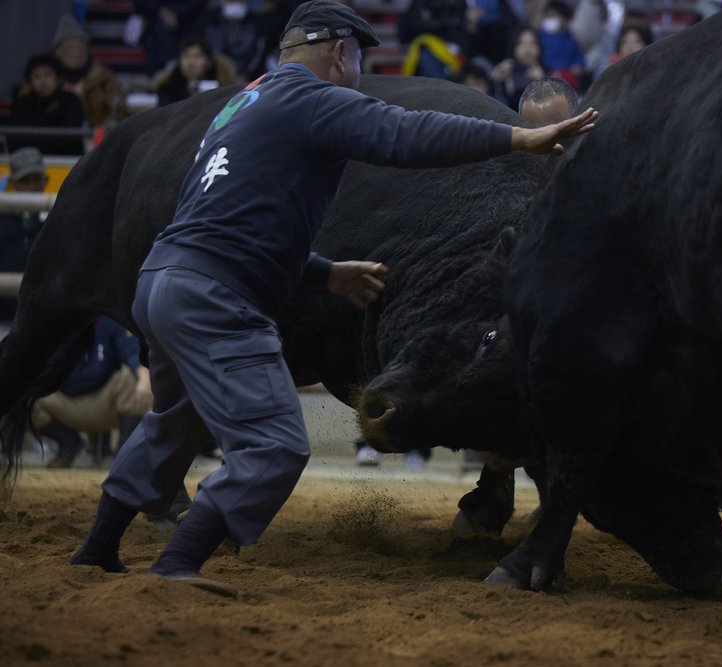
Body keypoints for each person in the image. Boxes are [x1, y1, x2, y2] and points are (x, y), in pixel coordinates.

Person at [69, 0, 597, 595]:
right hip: (218, 293)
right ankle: (177, 562)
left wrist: (322, 273)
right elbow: (405, 132)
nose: (360, 74)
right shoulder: (310, 98)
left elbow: (232, 220)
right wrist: (517, 139)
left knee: (172, 422)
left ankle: (96, 549)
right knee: (275, 445)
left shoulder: (244, 103)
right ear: (341, 53)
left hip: (163, 279)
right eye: (359, 59)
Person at [34, 317, 153, 469]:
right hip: (62, 403)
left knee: (131, 378)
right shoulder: (58, 321)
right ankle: (68, 443)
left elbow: (133, 354)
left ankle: (124, 460)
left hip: (103, 403)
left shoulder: (112, 322)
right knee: (22, 392)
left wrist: (144, 379)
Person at [50, 15, 129, 128]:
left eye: (79, 47)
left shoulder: (104, 77)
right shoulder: (49, 78)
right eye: (70, 48)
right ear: (58, 52)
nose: (75, 53)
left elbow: (118, 109)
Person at [0, 148, 48, 324]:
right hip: (4, 320)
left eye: (36, 180)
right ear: (12, 183)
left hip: (43, 324)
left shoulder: (56, 222)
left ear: (46, 181)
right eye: (24, 181)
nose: (31, 187)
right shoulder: (1, 222)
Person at [8, 54, 87, 156]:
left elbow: (69, 141)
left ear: (58, 78)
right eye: (37, 76)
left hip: (65, 161)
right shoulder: (20, 105)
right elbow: (15, 141)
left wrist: (34, 137)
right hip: (30, 161)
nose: (43, 81)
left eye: (48, 75)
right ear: (30, 81)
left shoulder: (71, 101)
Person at [152, 36, 238, 107]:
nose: (191, 63)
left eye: (197, 56)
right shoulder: (168, 88)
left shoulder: (223, 89)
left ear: (209, 62)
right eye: (186, 56)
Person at [197, 0, 270, 83]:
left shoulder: (258, 22)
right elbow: (205, 49)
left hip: (248, 77)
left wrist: (246, 74)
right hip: (215, 75)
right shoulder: (208, 20)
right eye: (230, 1)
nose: (234, 2)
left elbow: (260, 53)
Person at [492, 27, 545, 109]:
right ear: (514, 46)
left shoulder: (547, 73)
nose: (527, 49)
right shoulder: (506, 69)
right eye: (521, 43)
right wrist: (499, 81)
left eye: (533, 43)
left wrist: (542, 82)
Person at [537, 0, 584, 89]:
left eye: (554, 16)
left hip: (568, 77)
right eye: (547, 16)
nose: (550, 19)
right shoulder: (539, 36)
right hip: (546, 76)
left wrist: (578, 64)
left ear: (564, 20)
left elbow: (578, 55)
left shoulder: (569, 37)